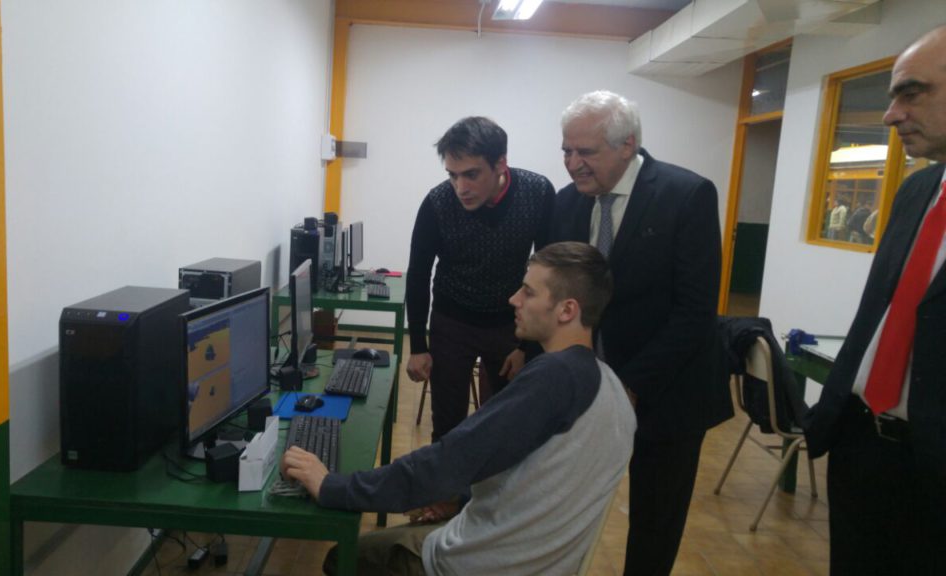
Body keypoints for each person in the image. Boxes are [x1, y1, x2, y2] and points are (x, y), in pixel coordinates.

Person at [282, 242, 636, 576]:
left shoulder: (554, 378)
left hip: (483, 564)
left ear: (567, 309)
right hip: (541, 562)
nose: (514, 299)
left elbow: (448, 460)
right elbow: (537, 474)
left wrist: (332, 486)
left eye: (528, 292)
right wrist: (461, 498)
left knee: (344, 558)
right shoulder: (611, 388)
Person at [550, 90, 725, 576]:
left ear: (627, 145)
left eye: (586, 151)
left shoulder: (685, 195)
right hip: (585, 391)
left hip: (667, 393)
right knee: (567, 508)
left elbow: (695, 312)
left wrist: (630, 384)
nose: (573, 163)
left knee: (654, 523)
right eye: (566, 150)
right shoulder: (566, 205)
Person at [804, 25, 946, 576]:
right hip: (864, 448)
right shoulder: (916, 191)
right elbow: (878, 313)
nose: (890, 114)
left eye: (912, 92)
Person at [405, 116, 555, 440]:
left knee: (501, 422)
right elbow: (418, 274)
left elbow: (548, 273)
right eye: (452, 175)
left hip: (509, 325)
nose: (461, 187)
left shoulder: (538, 193)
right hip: (451, 322)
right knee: (447, 425)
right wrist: (418, 345)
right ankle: (448, 491)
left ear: (500, 163)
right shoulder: (437, 203)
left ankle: (491, 492)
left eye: (471, 174)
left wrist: (527, 347)